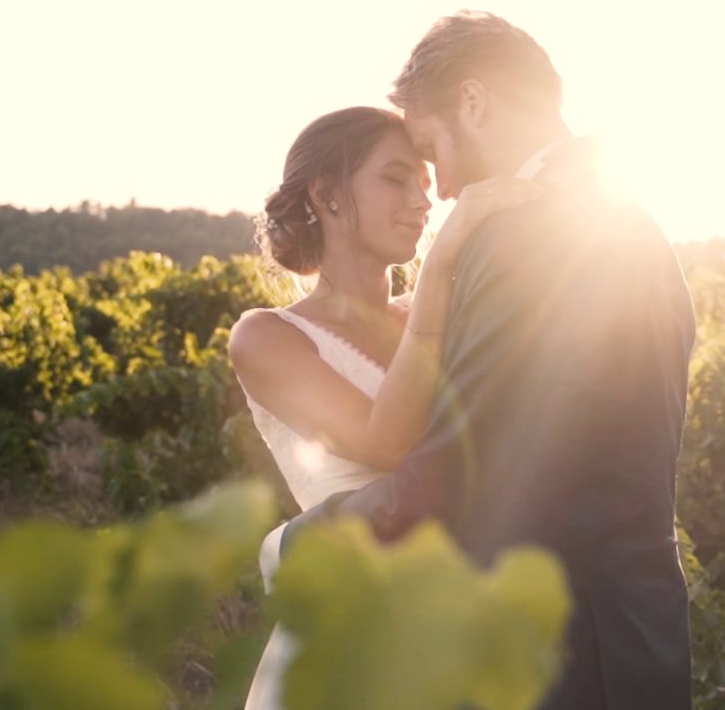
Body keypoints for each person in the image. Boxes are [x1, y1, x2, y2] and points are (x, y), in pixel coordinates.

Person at [273, 11, 698, 709]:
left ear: (474, 102)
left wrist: (297, 544)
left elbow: (465, 469)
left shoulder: (529, 233)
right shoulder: (625, 219)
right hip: (629, 641)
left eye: (431, 152)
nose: (436, 190)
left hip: (564, 658)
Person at [230, 104, 542, 710]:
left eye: (426, 185)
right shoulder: (265, 336)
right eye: (395, 178)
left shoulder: (444, 317)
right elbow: (387, 444)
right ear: (328, 195)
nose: (423, 203)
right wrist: (442, 268)